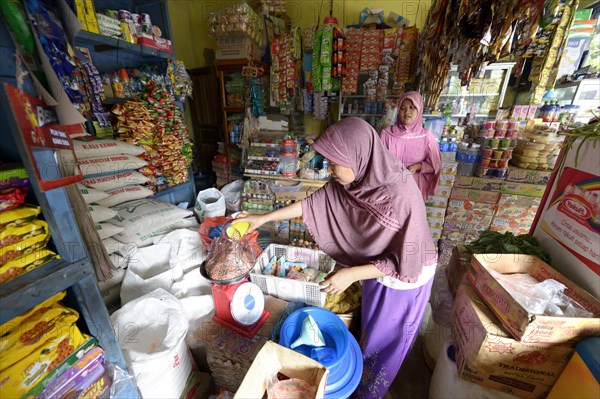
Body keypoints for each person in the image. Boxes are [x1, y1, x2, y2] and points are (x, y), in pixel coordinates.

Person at [235, 117, 437, 399]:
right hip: (376, 268)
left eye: (333, 163)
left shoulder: (400, 196)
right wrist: (263, 218)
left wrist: (352, 273)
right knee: (369, 331)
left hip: (405, 279)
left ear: (358, 155)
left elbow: (406, 263)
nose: (328, 170)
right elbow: (311, 205)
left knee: (385, 346)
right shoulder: (357, 179)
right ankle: (359, 380)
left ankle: (369, 392)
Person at [379, 91, 442, 200]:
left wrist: (418, 166)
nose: (407, 111)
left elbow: (435, 164)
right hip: (391, 188)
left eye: (412, 107)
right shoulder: (387, 134)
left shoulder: (426, 136)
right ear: (398, 111)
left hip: (415, 188)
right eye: (403, 108)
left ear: (419, 110)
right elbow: (378, 162)